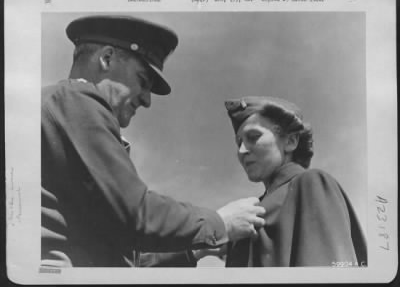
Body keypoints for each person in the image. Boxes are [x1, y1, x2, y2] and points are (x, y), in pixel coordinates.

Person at [41, 15, 266, 267]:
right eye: (142, 80)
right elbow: (137, 216)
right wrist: (220, 223)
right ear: (106, 58)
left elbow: (127, 253)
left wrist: (196, 251)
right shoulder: (76, 99)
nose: (147, 100)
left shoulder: (64, 110)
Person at [140, 96, 368, 267]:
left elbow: (330, 273)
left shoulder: (311, 184)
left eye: (253, 137)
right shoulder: (251, 213)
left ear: (290, 141)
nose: (241, 151)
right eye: (238, 141)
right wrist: (201, 248)